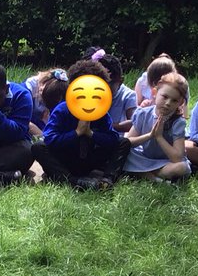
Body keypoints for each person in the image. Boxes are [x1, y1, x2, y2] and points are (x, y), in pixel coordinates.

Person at [36, 59, 129, 189]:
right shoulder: (63, 109)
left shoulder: (101, 113)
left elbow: (113, 140)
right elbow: (50, 139)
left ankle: (107, 180)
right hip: (66, 159)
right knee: (38, 147)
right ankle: (71, 181)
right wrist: (76, 133)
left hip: (90, 159)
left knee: (124, 142)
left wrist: (91, 134)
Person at [124, 72, 191, 181]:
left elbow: (177, 158)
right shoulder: (143, 113)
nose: (168, 103)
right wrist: (150, 135)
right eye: (165, 97)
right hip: (143, 157)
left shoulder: (178, 122)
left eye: (174, 100)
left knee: (183, 167)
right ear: (155, 92)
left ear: (181, 103)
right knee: (123, 151)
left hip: (165, 162)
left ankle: (145, 174)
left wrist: (159, 137)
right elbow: (128, 142)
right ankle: (152, 177)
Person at [102, 55, 138, 133]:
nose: (104, 90)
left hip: (117, 139)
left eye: (109, 86)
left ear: (121, 80)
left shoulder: (128, 96)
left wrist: (107, 126)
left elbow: (133, 123)